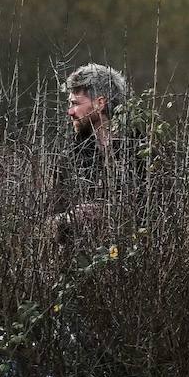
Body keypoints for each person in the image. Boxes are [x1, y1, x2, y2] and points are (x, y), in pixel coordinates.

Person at [52, 63, 140, 242]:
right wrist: (69, 219)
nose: (70, 112)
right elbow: (49, 218)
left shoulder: (140, 151)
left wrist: (108, 214)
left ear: (100, 103)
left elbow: (161, 215)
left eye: (75, 103)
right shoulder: (72, 155)